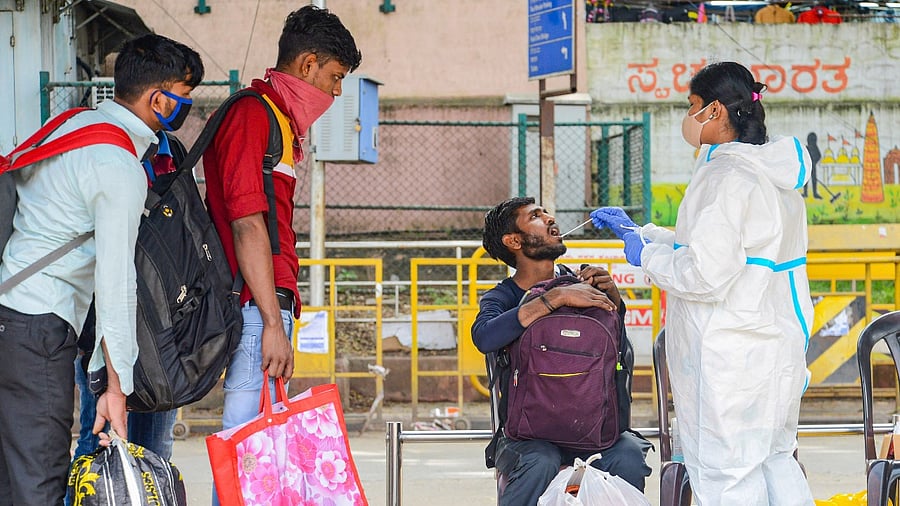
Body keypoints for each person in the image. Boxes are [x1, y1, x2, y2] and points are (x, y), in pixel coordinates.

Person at [591, 61, 815, 505]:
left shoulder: (725, 177)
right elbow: (728, 249)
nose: (688, 117)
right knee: (775, 463)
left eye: (692, 106)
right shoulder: (772, 175)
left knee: (726, 476)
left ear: (715, 111)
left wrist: (645, 256)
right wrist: (647, 235)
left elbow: (705, 273)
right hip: (771, 350)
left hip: (728, 358)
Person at [0, 33, 202, 505]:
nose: (185, 109)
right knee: (38, 484)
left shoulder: (68, 125)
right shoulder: (119, 166)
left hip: (9, 312)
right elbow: (116, 284)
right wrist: (117, 388)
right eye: (185, 99)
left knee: (9, 478)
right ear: (160, 98)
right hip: (39, 331)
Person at [201, 5, 360, 503]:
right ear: (307, 63)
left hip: (267, 303)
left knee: (259, 448)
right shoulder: (254, 114)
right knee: (245, 441)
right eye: (334, 78)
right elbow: (248, 221)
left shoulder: (282, 123)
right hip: (255, 305)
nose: (336, 93)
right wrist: (271, 320)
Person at [471, 197, 652, 506]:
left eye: (546, 212)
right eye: (535, 216)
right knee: (540, 460)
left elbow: (617, 350)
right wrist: (552, 299)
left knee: (628, 455)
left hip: (595, 429)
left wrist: (614, 302)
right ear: (513, 241)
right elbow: (484, 337)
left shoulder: (581, 283)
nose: (549, 218)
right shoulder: (502, 297)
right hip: (527, 436)